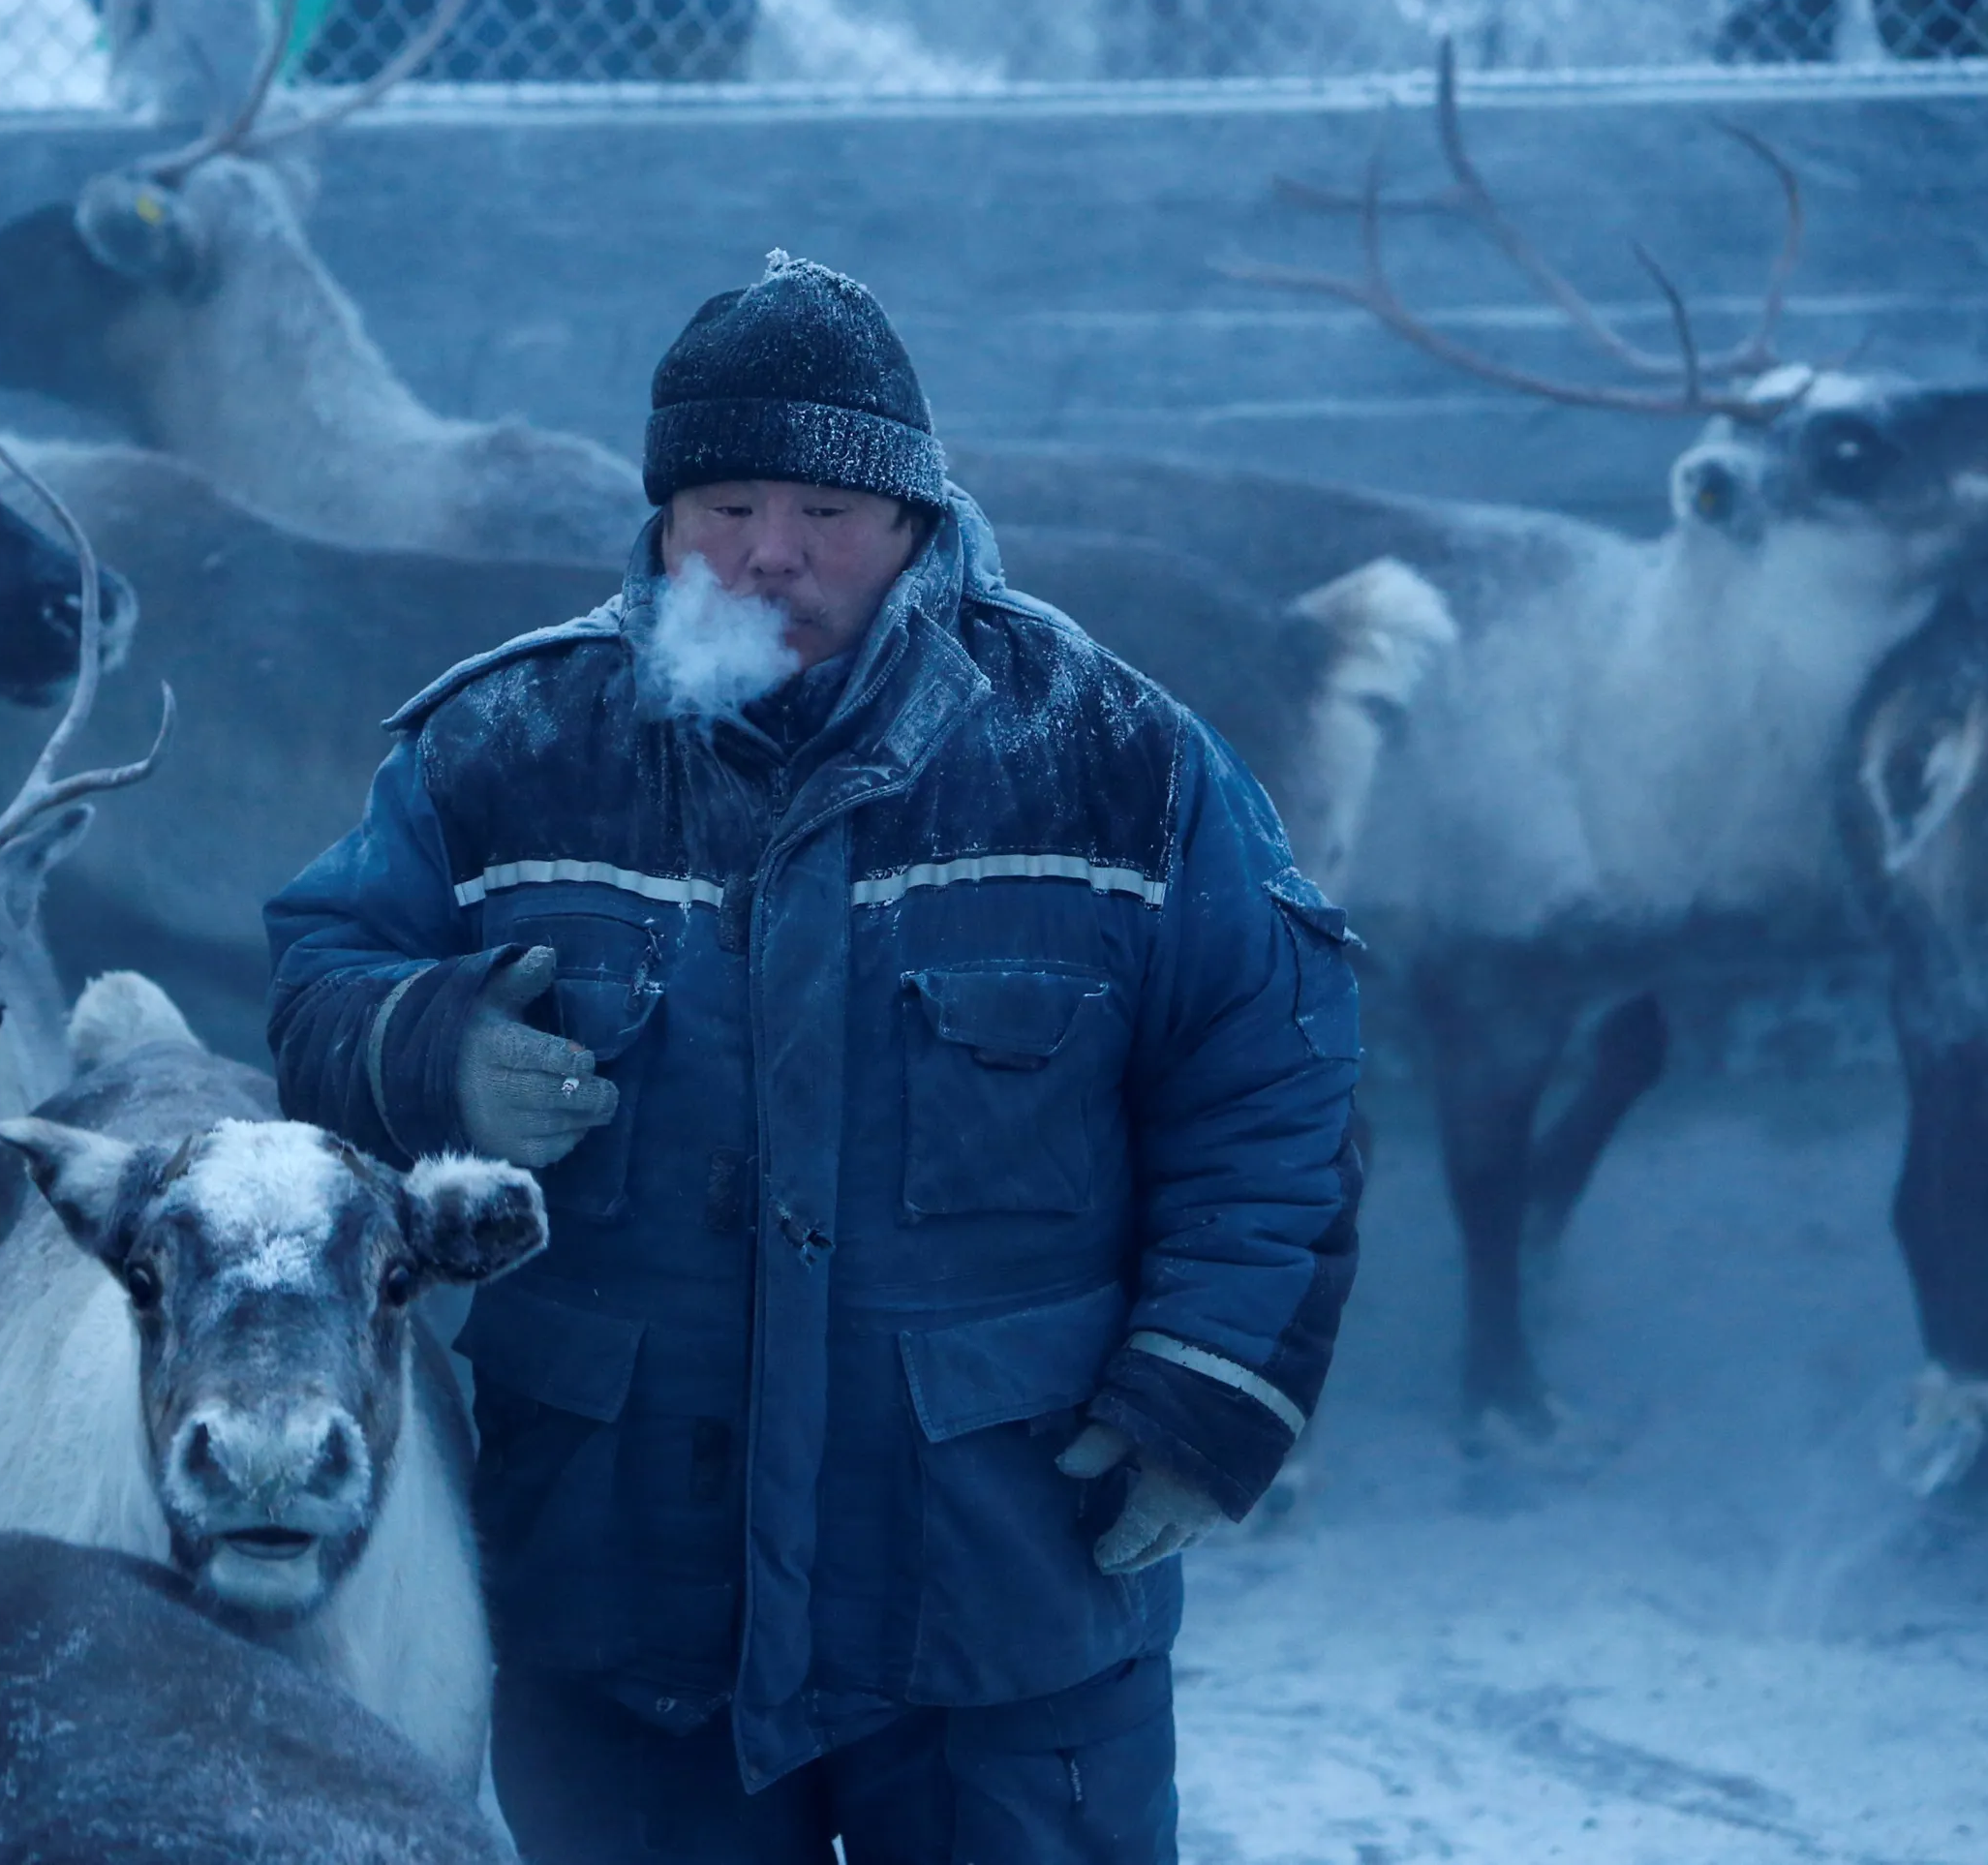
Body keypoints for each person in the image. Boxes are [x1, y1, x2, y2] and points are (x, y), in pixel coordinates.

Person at [265, 252, 1361, 1863]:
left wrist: (1207, 1392)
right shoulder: (508, 748)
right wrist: (432, 1052)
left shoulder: (1110, 756)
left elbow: (1274, 1082)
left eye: (826, 510)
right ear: (658, 519)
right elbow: (314, 989)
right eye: (724, 504)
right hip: (627, 1591)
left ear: (916, 518)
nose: (771, 552)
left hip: (1007, 1576)